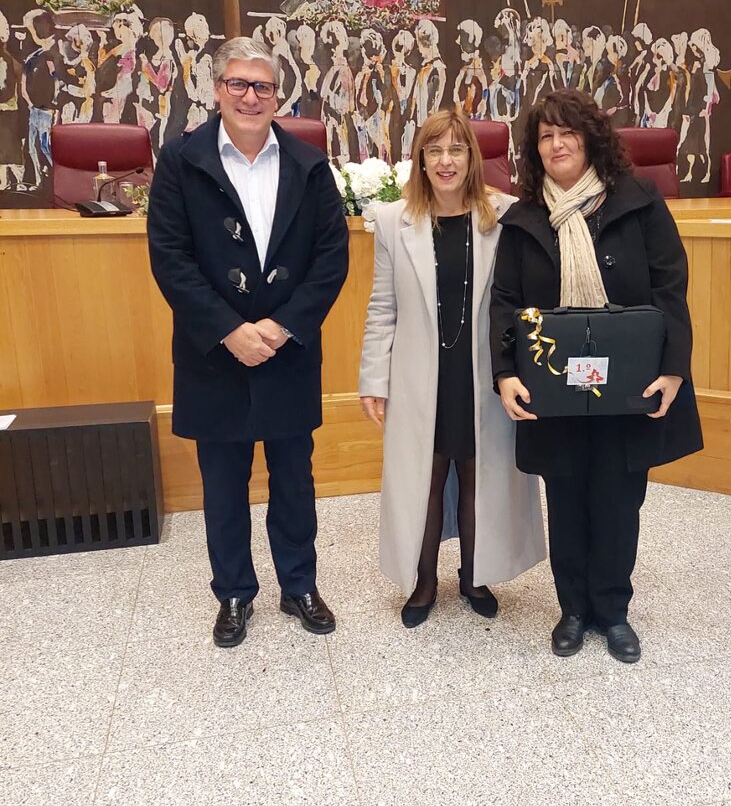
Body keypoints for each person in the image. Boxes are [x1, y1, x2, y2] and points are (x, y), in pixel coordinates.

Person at [147, 35, 349, 648]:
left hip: (288, 351)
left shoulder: (309, 164)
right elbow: (170, 259)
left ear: (277, 94)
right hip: (214, 354)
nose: (250, 96)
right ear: (217, 90)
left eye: (262, 86)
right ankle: (234, 593)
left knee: (294, 479)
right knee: (224, 482)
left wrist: (283, 327)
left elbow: (331, 258)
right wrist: (229, 330)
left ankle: (299, 584)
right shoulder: (180, 161)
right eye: (238, 83)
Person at [490, 89, 702, 663]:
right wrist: (505, 372)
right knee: (566, 496)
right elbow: (505, 302)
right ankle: (573, 610)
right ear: (535, 150)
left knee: (617, 498)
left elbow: (671, 289)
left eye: (568, 134)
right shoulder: (524, 218)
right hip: (553, 387)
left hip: (626, 385)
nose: (557, 145)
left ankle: (612, 611)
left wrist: (673, 370)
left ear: (591, 140)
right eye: (545, 137)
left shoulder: (639, 201)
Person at [359, 109, 544, 627]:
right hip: (419, 375)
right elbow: (382, 308)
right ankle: (422, 581)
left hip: (483, 372)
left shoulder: (504, 215)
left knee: (477, 472)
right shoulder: (394, 221)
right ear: (420, 159)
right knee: (426, 474)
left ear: (472, 158)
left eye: (456, 150)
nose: (446, 161)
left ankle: (474, 575)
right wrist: (373, 378)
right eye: (434, 150)